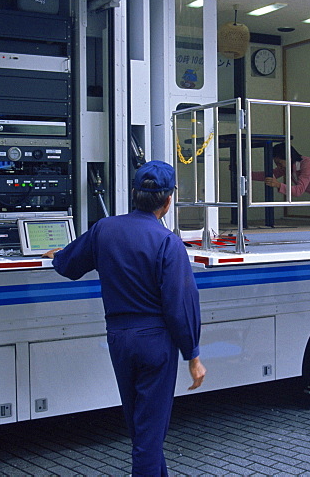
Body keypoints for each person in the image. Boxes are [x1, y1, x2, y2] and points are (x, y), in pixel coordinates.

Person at [45, 160, 206, 476]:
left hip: (119, 339)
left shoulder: (105, 228)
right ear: (168, 200)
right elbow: (180, 305)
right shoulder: (167, 242)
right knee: (148, 435)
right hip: (155, 342)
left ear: (134, 192)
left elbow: (70, 265)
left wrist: (57, 255)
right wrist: (193, 355)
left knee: (142, 428)